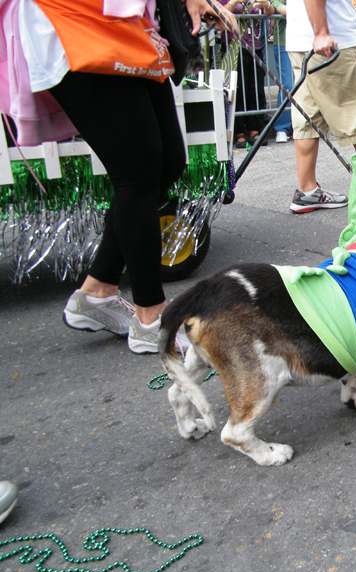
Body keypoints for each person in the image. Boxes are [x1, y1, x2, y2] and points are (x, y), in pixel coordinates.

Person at [1, 0, 233, 354]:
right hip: (74, 19)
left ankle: (97, 290)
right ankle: (152, 318)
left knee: (168, 162)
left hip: (128, 23)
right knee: (136, 172)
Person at [285, 0, 356, 213]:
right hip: (334, 42)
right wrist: (322, 31)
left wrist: (347, 22)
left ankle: (307, 191)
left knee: (308, 116)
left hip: (300, 40)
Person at [228, 0, 275, 148]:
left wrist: (265, 4)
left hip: (256, 46)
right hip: (235, 47)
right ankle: (239, 131)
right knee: (239, 88)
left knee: (255, 88)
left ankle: (255, 128)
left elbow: (271, 11)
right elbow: (220, 11)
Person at [270, 0, 294, 142]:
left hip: (307, 40)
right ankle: (282, 128)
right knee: (287, 85)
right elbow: (276, 4)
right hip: (284, 41)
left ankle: (303, 127)